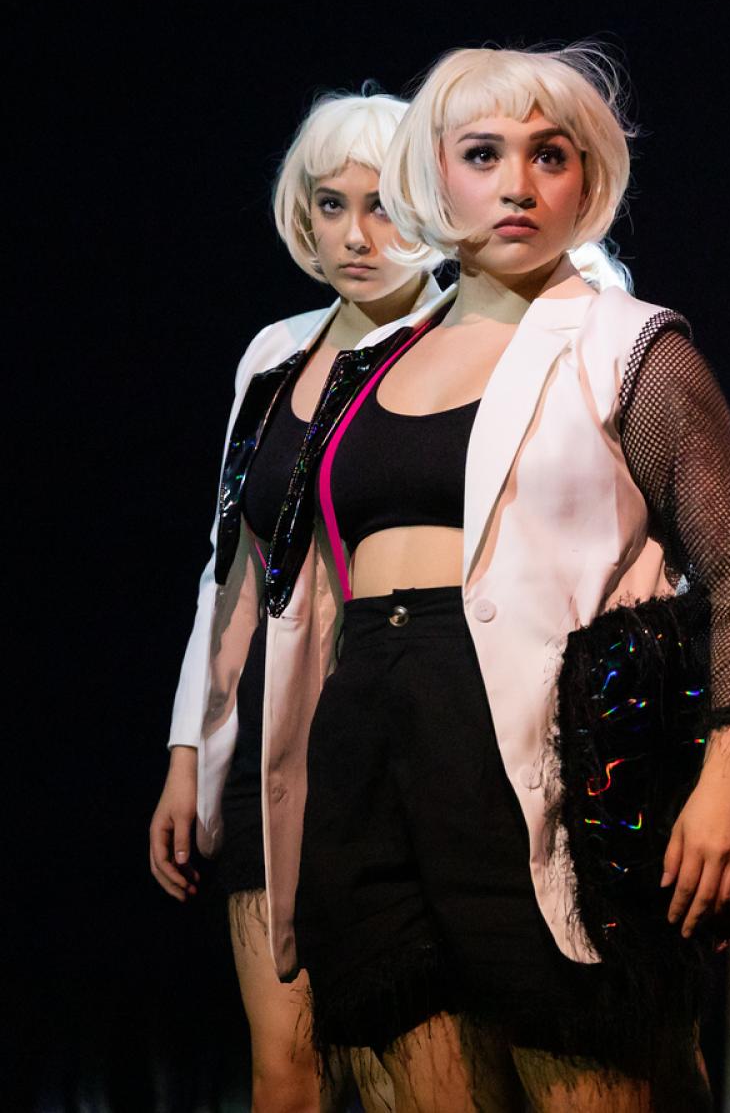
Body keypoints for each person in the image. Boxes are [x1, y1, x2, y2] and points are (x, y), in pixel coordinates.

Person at [280, 45, 730, 1108]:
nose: (517, 183)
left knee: (590, 1071)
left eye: (548, 155)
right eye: (483, 153)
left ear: (586, 180)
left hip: (541, 766)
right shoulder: (376, 363)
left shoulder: (629, 346)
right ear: (434, 174)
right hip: (374, 754)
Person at [148, 90, 437, 1111]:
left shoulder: (464, 338)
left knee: (412, 1059)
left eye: (386, 204)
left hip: (400, 716)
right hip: (271, 722)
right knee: (284, 1063)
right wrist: (189, 750)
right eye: (331, 205)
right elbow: (228, 563)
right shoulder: (273, 355)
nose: (357, 234)